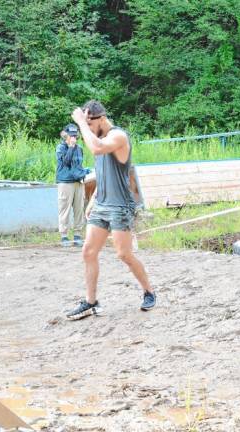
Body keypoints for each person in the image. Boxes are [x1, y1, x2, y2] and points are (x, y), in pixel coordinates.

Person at [66, 100, 156, 320]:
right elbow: (103, 171)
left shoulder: (118, 136)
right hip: (102, 204)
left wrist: (80, 122)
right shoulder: (98, 137)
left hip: (120, 206)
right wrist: (94, 198)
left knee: (124, 254)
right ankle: (91, 302)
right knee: (88, 252)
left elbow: (96, 147)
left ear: (101, 119)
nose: (87, 127)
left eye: (90, 122)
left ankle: (149, 291)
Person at [56, 123, 89, 247]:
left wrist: (83, 172)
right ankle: (64, 236)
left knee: (79, 209)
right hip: (65, 183)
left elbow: (78, 166)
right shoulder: (61, 148)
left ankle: (77, 235)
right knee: (64, 210)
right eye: (71, 136)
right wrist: (70, 147)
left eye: (75, 135)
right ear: (65, 136)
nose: (73, 138)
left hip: (78, 183)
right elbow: (66, 162)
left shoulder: (79, 149)